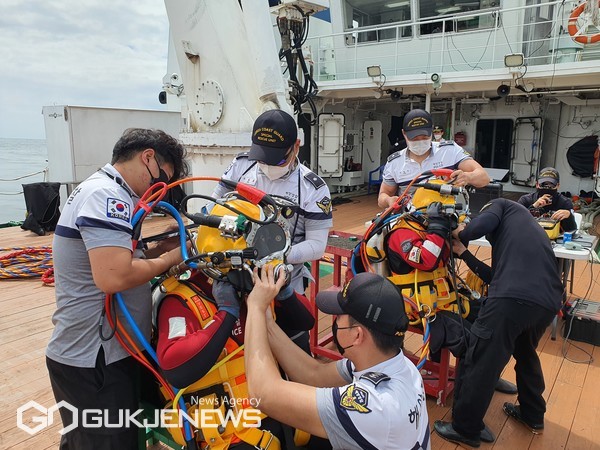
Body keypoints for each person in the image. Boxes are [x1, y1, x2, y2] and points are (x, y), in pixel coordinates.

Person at [45, 128, 188, 449]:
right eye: (159, 180)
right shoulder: (105, 196)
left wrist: (156, 249)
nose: (159, 190)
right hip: (94, 360)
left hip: (110, 354)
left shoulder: (107, 191)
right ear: (147, 157)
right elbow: (114, 277)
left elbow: (120, 255)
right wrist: (170, 257)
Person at [245, 269, 431, 450]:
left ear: (357, 336)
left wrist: (255, 307)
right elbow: (314, 375)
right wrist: (266, 322)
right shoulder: (397, 365)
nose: (335, 321)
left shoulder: (374, 406)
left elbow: (263, 394)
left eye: (339, 316)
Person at [434, 198, 564, 448]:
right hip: (547, 304)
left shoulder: (502, 205)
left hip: (511, 300)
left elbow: (479, 226)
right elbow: (495, 277)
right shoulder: (528, 229)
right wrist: (464, 254)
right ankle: (533, 414)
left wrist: (457, 231)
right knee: (525, 354)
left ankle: (466, 429)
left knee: (482, 358)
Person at [212, 109, 333, 352]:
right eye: (262, 158)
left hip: (284, 281)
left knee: (293, 347)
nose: (266, 165)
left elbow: (317, 246)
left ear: (296, 146)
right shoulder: (240, 167)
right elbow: (212, 208)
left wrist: (273, 257)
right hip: (235, 273)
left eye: (276, 159)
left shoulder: (313, 189)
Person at [378, 108, 490, 209]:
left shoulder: (450, 151)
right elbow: (382, 196)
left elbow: (484, 177)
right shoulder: (394, 162)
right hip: (410, 219)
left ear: (431, 131)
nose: (420, 141)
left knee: (461, 231)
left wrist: (467, 177)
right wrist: (388, 200)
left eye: (424, 137)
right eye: (414, 138)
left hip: (447, 216)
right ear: (404, 133)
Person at [518, 167, 577, 232]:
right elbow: (516, 221)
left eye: (551, 185)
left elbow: (573, 230)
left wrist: (569, 216)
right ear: (537, 184)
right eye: (543, 184)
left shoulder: (565, 203)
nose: (547, 188)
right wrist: (534, 207)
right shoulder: (526, 200)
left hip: (555, 238)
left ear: (557, 186)